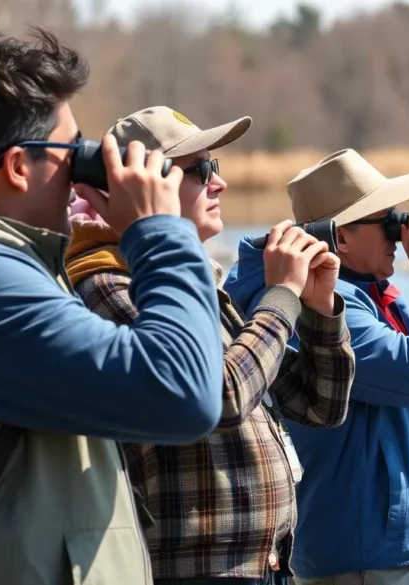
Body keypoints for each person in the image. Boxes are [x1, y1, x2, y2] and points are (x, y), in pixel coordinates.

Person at [0, 30, 225, 585]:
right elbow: (182, 393)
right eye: (73, 149)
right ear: (16, 167)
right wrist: (160, 230)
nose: (85, 166)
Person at [64, 106, 356, 585]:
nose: (218, 183)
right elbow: (220, 397)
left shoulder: (190, 281)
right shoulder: (107, 282)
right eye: (199, 170)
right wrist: (280, 295)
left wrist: (320, 309)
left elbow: (319, 406)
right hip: (191, 571)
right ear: (142, 186)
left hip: (262, 567)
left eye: (214, 167)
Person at [224, 149, 409, 585]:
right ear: (341, 240)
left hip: (400, 550)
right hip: (371, 556)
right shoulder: (322, 306)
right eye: (387, 221)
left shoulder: (372, 296)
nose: (400, 233)